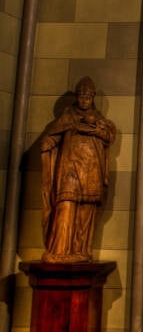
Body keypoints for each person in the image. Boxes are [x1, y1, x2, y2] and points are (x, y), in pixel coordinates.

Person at [39, 77, 117, 263]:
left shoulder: (100, 121)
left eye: (88, 97)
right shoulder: (68, 117)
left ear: (93, 97)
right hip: (69, 171)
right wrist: (48, 143)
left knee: (85, 213)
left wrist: (95, 130)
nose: (84, 100)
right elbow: (54, 136)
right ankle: (59, 251)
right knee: (65, 207)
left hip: (91, 172)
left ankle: (81, 250)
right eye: (81, 96)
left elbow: (109, 136)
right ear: (77, 97)